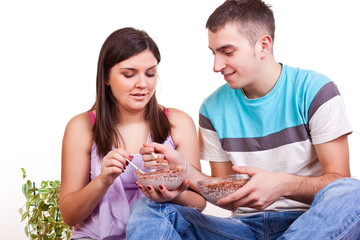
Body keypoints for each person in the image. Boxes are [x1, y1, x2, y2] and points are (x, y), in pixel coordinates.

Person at [126, 0, 360, 239]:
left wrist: (283, 184)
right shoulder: (212, 108)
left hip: (310, 225)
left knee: (353, 192)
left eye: (227, 52)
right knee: (149, 209)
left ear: (263, 45)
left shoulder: (315, 91)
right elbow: (227, 195)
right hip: (244, 229)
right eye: (214, 53)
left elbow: (337, 184)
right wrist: (184, 170)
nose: (216, 66)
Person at [59, 27, 206, 240]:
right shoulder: (81, 127)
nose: (142, 84)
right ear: (106, 78)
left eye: (150, 73)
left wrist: (172, 193)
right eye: (129, 74)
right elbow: (69, 215)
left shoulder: (178, 123)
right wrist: (103, 180)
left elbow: (199, 205)